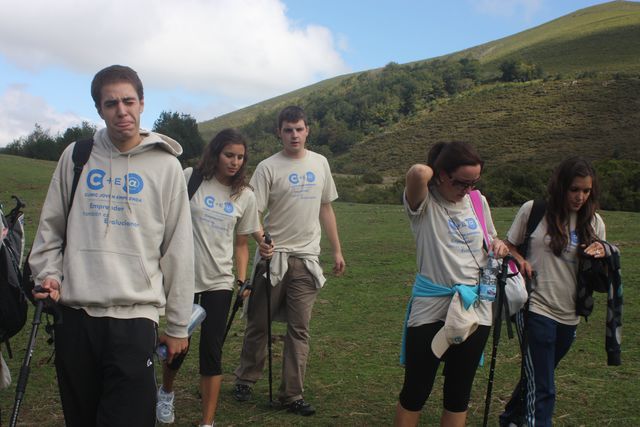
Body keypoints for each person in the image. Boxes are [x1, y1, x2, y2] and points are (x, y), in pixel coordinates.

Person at [29, 65, 194, 426]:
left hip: (134, 317)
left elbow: (179, 249)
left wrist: (178, 325)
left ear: (142, 103)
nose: (122, 110)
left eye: (128, 101)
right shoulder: (77, 156)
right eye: (111, 103)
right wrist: (49, 275)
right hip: (74, 316)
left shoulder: (166, 166)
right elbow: (50, 231)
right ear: (99, 110)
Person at [155, 129, 273, 426]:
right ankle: (166, 392)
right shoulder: (192, 177)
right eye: (229, 155)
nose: (234, 162)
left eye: (240, 157)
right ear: (216, 153)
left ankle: (207, 423)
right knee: (177, 347)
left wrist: (248, 270)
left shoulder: (244, 195)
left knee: (212, 354)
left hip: (219, 281)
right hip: (183, 279)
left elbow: (245, 238)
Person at [233, 105, 345, 416]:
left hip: (307, 259)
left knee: (300, 329)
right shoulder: (268, 168)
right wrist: (262, 241)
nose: (294, 134)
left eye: (299, 129)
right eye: (287, 129)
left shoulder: (320, 163)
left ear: (308, 130)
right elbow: (252, 212)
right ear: (279, 132)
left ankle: (292, 394)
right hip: (273, 257)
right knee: (259, 323)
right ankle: (245, 378)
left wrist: (336, 249)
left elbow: (326, 208)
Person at [394, 141, 509, 427]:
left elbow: (490, 238)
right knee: (416, 390)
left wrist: (498, 245)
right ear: (442, 174)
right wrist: (434, 165)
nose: (467, 190)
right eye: (461, 182)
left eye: (474, 182)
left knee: (458, 392)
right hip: (432, 305)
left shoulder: (477, 201)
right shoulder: (423, 203)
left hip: (476, 306)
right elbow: (418, 173)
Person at [499, 157, 607, 427]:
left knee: (538, 373)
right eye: (574, 189)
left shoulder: (595, 223)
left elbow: (598, 269)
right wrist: (519, 260)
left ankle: (511, 418)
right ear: (561, 187)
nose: (580, 197)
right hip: (535, 307)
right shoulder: (534, 211)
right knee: (544, 386)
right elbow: (509, 245)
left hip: (570, 313)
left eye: (586, 191)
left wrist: (602, 256)